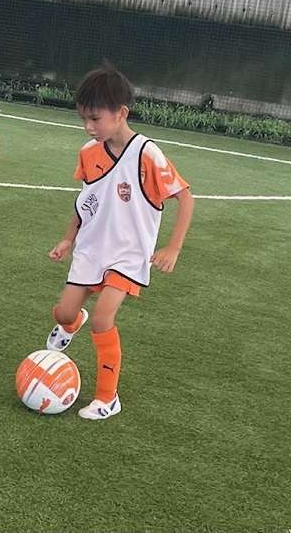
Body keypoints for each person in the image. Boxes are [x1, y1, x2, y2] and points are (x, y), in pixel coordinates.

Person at [46, 64, 195, 420]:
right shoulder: (89, 152)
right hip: (91, 250)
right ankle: (71, 323)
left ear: (121, 113)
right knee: (64, 313)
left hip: (129, 255)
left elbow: (185, 197)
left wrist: (173, 247)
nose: (88, 126)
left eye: (95, 119)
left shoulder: (146, 153)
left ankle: (107, 397)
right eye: (83, 118)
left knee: (103, 318)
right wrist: (68, 239)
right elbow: (86, 202)